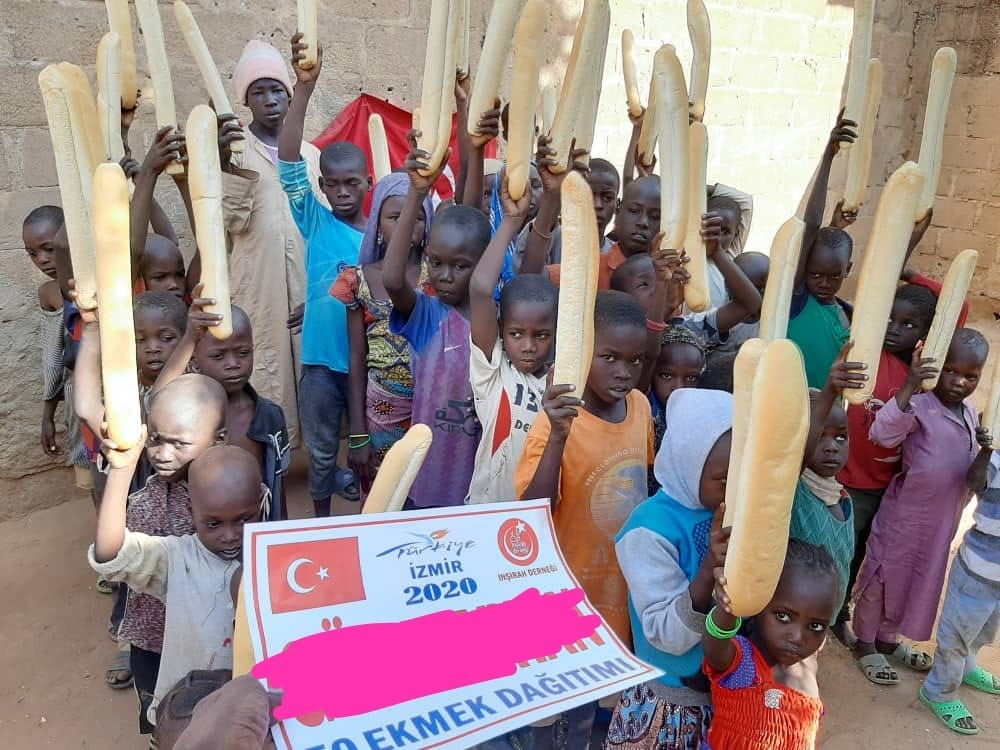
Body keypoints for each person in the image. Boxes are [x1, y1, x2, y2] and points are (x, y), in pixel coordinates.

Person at [89, 441, 262, 728]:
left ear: (261, 501)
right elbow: (111, 554)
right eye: (214, 524)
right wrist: (121, 472)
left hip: (252, 715)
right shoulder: (177, 559)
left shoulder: (277, 559)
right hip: (186, 716)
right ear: (193, 511)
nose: (230, 535)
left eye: (244, 519)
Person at [852, 330, 989, 685]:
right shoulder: (920, 406)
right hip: (905, 516)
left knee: (915, 580)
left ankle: (888, 639)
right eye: (950, 370)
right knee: (884, 578)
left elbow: (974, 477)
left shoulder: (971, 415)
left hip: (941, 524)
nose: (959, 382)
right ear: (936, 366)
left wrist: (987, 448)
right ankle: (865, 642)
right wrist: (911, 383)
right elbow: (882, 434)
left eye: (970, 376)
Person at [516, 290, 653, 645]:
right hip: (569, 591)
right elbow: (534, 515)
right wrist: (558, 437)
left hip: (624, 590)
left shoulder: (640, 407)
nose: (624, 373)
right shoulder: (555, 424)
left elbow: (645, 482)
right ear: (582, 352)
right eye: (609, 358)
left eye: (635, 360)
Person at [606, 389, 733, 750]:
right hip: (673, 705)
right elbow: (666, 635)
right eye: (724, 480)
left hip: (727, 692)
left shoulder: (731, 509)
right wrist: (709, 567)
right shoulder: (648, 531)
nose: (737, 489)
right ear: (687, 465)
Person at [278, 37, 371, 514]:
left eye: (351, 183)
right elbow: (288, 161)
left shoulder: (382, 238)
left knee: (368, 448)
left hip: (369, 366)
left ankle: (367, 522)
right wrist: (303, 88)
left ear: (369, 183)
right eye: (331, 184)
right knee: (319, 453)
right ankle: (320, 522)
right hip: (319, 365)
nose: (342, 192)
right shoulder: (316, 221)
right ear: (321, 187)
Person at [221, 38, 328, 446]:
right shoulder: (235, 153)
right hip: (257, 283)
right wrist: (223, 164)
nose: (269, 100)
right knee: (267, 369)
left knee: (312, 368)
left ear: (288, 95)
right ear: (246, 101)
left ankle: (318, 460)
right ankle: (273, 456)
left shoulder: (310, 155)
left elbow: (322, 223)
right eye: (258, 92)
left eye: (276, 90)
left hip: (306, 280)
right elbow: (229, 221)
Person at [386, 134, 491, 509]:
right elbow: (393, 281)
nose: (444, 276)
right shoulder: (427, 316)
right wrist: (417, 193)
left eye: (460, 266)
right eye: (436, 262)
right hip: (427, 478)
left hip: (480, 484)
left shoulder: (498, 320)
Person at [833, 283, 939, 645]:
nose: (894, 328)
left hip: (886, 485)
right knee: (842, 548)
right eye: (890, 318)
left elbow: (960, 308)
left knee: (863, 552)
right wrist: (903, 271)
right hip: (847, 476)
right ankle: (829, 611)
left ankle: (840, 611)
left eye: (909, 324)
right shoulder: (866, 353)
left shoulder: (923, 376)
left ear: (925, 332)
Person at [331, 172, 434, 500]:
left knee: (428, 493)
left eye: (417, 218)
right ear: (377, 223)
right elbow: (357, 357)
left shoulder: (439, 277)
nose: (406, 225)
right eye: (395, 217)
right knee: (384, 495)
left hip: (432, 403)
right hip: (381, 408)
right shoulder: (358, 280)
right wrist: (357, 434)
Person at [153, 297, 290, 521]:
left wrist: (279, 531)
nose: (233, 363)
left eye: (243, 352)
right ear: (194, 359)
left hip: (250, 526)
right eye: (218, 356)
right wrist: (189, 338)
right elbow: (157, 400)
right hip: (197, 529)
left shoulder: (269, 417)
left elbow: (277, 482)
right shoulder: (185, 414)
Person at [703, 536, 841, 749]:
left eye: (815, 626)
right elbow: (715, 645)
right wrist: (729, 605)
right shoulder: (742, 663)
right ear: (759, 605)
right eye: (783, 616)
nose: (798, 637)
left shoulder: (809, 665)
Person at [468, 176, 557, 503]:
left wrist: (552, 195)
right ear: (501, 330)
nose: (529, 346)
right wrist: (511, 220)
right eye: (516, 334)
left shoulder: (559, 380)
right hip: (490, 511)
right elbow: (480, 290)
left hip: (540, 514)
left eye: (541, 335)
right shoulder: (493, 371)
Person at [919, 435, 1000, 735]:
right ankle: (939, 690)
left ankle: (968, 668)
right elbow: (974, 482)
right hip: (977, 571)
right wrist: (987, 449)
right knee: (957, 635)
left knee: (983, 632)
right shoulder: (994, 460)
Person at [790, 345, 867, 618]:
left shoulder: (843, 498)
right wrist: (830, 392)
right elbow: (797, 455)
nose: (832, 447)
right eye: (820, 435)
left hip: (821, 619)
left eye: (841, 437)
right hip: (793, 617)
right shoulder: (793, 489)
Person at [786, 114, 857, 388]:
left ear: (847, 270)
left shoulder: (848, 314)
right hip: (793, 405)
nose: (824, 283)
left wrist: (836, 228)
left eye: (834, 276)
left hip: (828, 409)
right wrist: (828, 156)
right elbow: (811, 226)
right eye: (815, 274)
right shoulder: (798, 298)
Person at [23, 206, 91, 482]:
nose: (42, 259)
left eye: (49, 249)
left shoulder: (101, 281)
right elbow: (53, 358)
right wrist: (48, 415)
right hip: (78, 394)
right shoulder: (49, 294)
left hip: (120, 385)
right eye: (32, 254)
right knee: (89, 469)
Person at [542, 176, 662, 289]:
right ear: (618, 209)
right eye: (634, 211)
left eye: (655, 217)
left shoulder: (665, 275)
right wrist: (550, 196)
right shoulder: (589, 269)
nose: (643, 222)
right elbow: (534, 278)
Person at [646, 327, 707, 494]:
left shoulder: (701, 417)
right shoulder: (646, 408)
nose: (679, 387)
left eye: (691, 378)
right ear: (652, 373)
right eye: (666, 376)